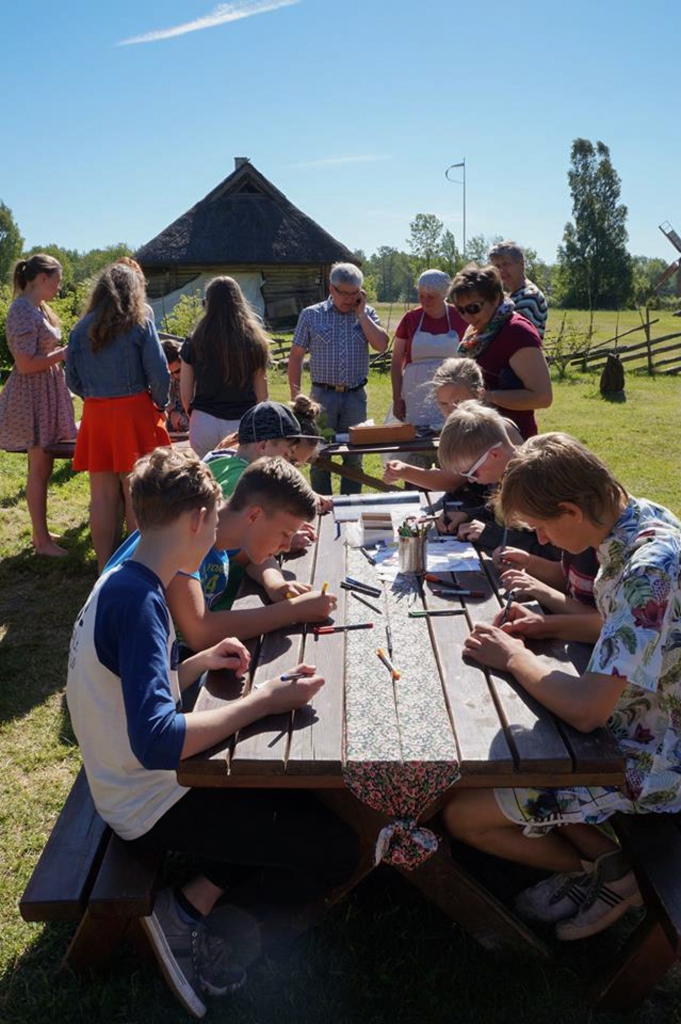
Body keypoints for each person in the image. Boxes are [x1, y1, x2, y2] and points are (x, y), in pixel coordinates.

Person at [66, 446, 358, 1018]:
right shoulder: (140, 601)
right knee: (336, 850)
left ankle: (195, 901)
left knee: (295, 802)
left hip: (124, 781)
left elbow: (127, 684)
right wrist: (263, 701)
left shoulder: (128, 579)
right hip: (148, 801)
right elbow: (158, 741)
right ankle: (189, 920)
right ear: (200, 519)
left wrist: (199, 664)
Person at [443, 432, 681, 941]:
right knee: (500, 759)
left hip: (658, 758)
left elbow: (588, 711)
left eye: (542, 527)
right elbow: (626, 628)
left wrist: (515, 658)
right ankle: (606, 863)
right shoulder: (639, 522)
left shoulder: (647, 569)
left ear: (571, 510)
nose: (543, 541)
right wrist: (546, 626)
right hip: (642, 719)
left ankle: (611, 875)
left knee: (464, 814)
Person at [105, 456, 337, 653]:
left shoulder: (223, 527)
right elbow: (200, 632)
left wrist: (276, 584)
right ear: (254, 516)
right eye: (285, 533)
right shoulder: (188, 538)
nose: (286, 546)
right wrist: (294, 610)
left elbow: (251, 559)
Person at [66, 263, 170, 572]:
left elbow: (72, 379)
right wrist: (160, 403)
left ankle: (103, 568)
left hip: (96, 415)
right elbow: (159, 372)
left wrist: (95, 396)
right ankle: (138, 569)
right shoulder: (140, 322)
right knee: (135, 493)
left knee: (101, 497)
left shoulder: (80, 329)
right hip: (134, 412)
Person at [288, 262, 389, 495]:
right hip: (321, 397)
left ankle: (350, 506)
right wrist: (296, 396)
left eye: (355, 293)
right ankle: (322, 506)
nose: (350, 299)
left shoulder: (367, 313)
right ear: (331, 289)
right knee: (319, 456)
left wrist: (361, 314)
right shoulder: (311, 315)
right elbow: (296, 356)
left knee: (354, 457)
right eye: (345, 293)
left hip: (355, 397)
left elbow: (382, 345)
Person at [0, 254, 76, 557]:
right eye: (57, 280)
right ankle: (42, 541)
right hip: (31, 396)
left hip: (43, 393)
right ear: (42, 278)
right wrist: (65, 353)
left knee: (42, 467)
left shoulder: (37, 307)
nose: (59, 286)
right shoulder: (21, 310)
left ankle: (40, 532)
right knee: (39, 468)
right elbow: (26, 364)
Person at [383, 357, 521, 493]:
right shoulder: (464, 427)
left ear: (479, 394)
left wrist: (404, 471)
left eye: (459, 402)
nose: (451, 410)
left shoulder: (490, 428)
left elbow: (451, 481)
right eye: (443, 403)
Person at [450, 263, 552, 439]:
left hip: (511, 439)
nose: (467, 316)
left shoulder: (517, 332)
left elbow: (542, 397)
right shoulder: (477, 329)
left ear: (496, 298)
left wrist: (488, 396)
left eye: (473, 308)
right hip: (479, 436)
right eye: (460, 310)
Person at [180, 276, 269, 458]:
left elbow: (185, 394)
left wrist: (195, 416)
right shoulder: (254, 340)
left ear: (207, 304)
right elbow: (262, 394)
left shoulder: (194, 341)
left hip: (204, 420)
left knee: (203, 474)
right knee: (242, 473)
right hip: (242, 421)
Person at [390, 270, 466, 439]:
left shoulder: (460, 317)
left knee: (450, 438)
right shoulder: (410, 319)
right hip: (414, 394)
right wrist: (397, 398)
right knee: (416, 441)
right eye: (421, 296)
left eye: (431, 296)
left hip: (451, 393)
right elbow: (396, 363)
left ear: (444, 294)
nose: (425, 301)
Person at [488, 240, 548, 339]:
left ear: (521, 264)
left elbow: (512, 335)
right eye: (497, 266)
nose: (501, 270)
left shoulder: (529, 296)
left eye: (506, 264)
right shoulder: (510, 296)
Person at [161, 339, 189, 433]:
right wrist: (172, 412)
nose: (175, 377)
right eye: (170, 374)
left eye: (178, 371)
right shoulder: (166, 380)